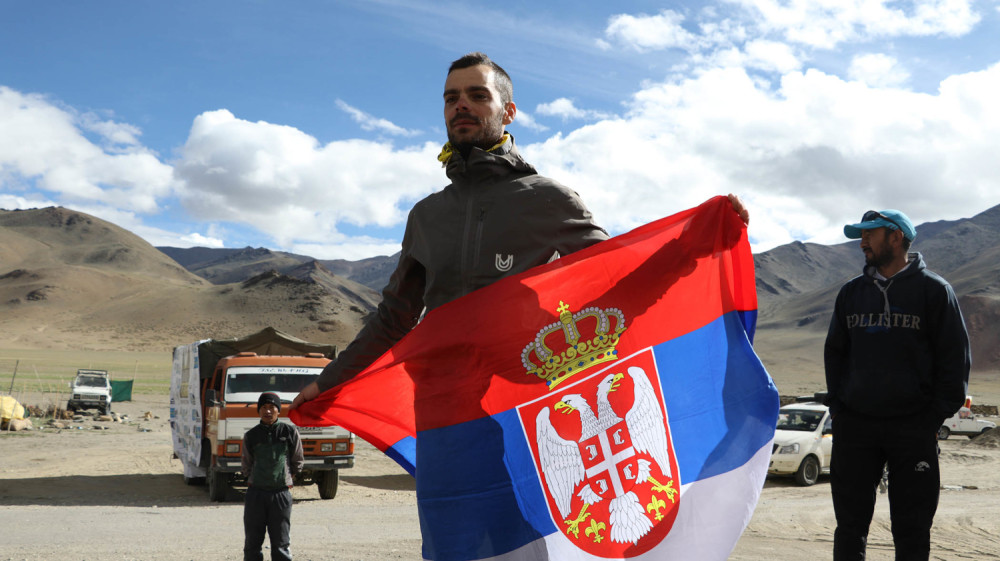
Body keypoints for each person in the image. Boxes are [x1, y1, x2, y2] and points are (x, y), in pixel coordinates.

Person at [291, 51, 748, 407]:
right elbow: (394, 319)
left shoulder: (548, 199)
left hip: (526, 403)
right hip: (440, 403)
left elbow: (617, 280)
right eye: (451, 98)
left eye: (478, 95)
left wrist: (694, 245)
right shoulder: (426, 216)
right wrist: (328, 382)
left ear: (508, 112)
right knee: (446, 508)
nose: (461, 105)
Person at [824, 209, 970, 560]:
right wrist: (840, 410)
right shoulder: (851, 293)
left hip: (913, 429)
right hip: (856, 428)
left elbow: (955, 360)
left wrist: (930, 419)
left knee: (912, 529)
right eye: (861, 236)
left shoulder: (935, 291)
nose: (862, 242)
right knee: (849, 527)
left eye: (869, 234)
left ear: (895, 237)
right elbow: (835, 353)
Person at [242, 392, 304, 561]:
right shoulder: (251, 435)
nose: (268, 411)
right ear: (258, 410)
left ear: (279, 410)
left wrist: (286, 478)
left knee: (281, 542)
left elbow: (297, 460)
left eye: (272, 407)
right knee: (252, 542)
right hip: (256, 494)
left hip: (280, 494)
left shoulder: (289, 432)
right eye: (263, 407)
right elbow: (246, 464)